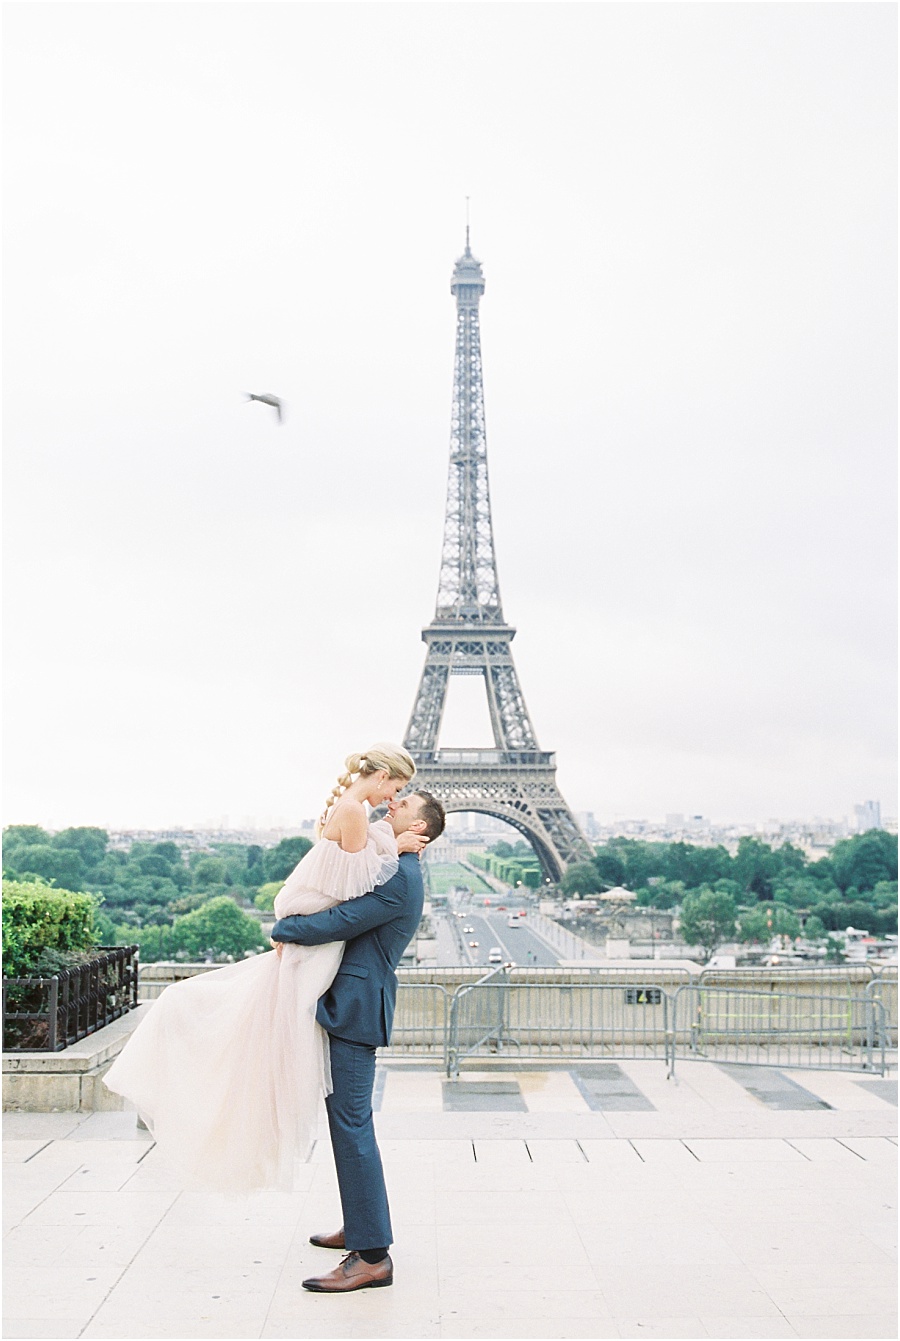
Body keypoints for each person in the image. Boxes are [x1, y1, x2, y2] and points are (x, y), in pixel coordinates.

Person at [103, 743, 428, 1197]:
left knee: (298, 1064)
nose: (394, 797)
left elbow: (351, 900)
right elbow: (355, 889)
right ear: (380, 776)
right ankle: (362, 1232)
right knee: (317, 1084)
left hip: (343, 986)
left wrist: (290, 927)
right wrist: (391, 842)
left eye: (402, 796)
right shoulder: (358, 816)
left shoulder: (357, 816)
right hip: (333, 971)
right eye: (396, 787)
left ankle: (366, 1237)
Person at [270, 788, 446, 1294]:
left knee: (351, 1124)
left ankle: (371, 1256)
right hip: (352, 1004)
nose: (392, 807)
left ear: (421, 829)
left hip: (355, 1009)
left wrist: (284, 926)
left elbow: (341, 919)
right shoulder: (401, 868)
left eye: (402, 807)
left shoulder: (400, 879)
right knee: (347, 1122)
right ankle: (361, 1222)